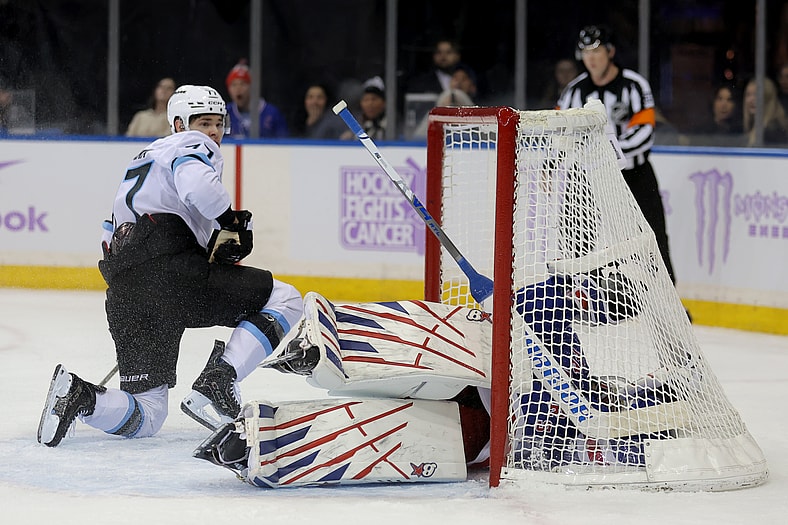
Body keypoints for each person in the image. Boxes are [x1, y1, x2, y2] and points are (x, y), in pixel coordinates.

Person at [37, 85, 303, 448]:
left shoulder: (141, 163)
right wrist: (230, 221)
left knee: (147, 415)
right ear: (178, 123)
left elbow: (110, 236)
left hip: (126, 290)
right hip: (171, 275)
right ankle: (220, 380)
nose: (212, 132)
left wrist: (219, 246)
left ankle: (82, 397)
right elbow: (199, 188)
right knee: (285, 299)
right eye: (202, 122)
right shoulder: (189, 146)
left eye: (218, 123)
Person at [557, 25, 677, 285]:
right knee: (577, 236)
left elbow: (644, 132)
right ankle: (582, 293)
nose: (591, 58)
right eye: (585, 52)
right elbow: (559, 133)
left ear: (610, 52)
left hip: (634, 174)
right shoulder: (574, 92)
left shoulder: (634, 85)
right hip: (588, 178)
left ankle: (667, 297)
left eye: (597, 50)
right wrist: (553, 160)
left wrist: (608, 155)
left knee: (652, 234)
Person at [225, 60, 288, 139]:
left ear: (252, 87)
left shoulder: (272, 114)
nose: (238, 89)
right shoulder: (225, 113)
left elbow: (283, 144)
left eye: (243, 84)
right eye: (233, 85)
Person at [742, 76, 788, 147]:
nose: (751, 100)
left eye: (756, 95)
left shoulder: (773, 130)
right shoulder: (749, 125)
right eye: (748, 95)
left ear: (768, 98)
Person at [341, 76, 387, 141]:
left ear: (384, 102)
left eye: (374, 99)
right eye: (366, 100)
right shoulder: (355, 125)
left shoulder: (394, 124)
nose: (370, 104)